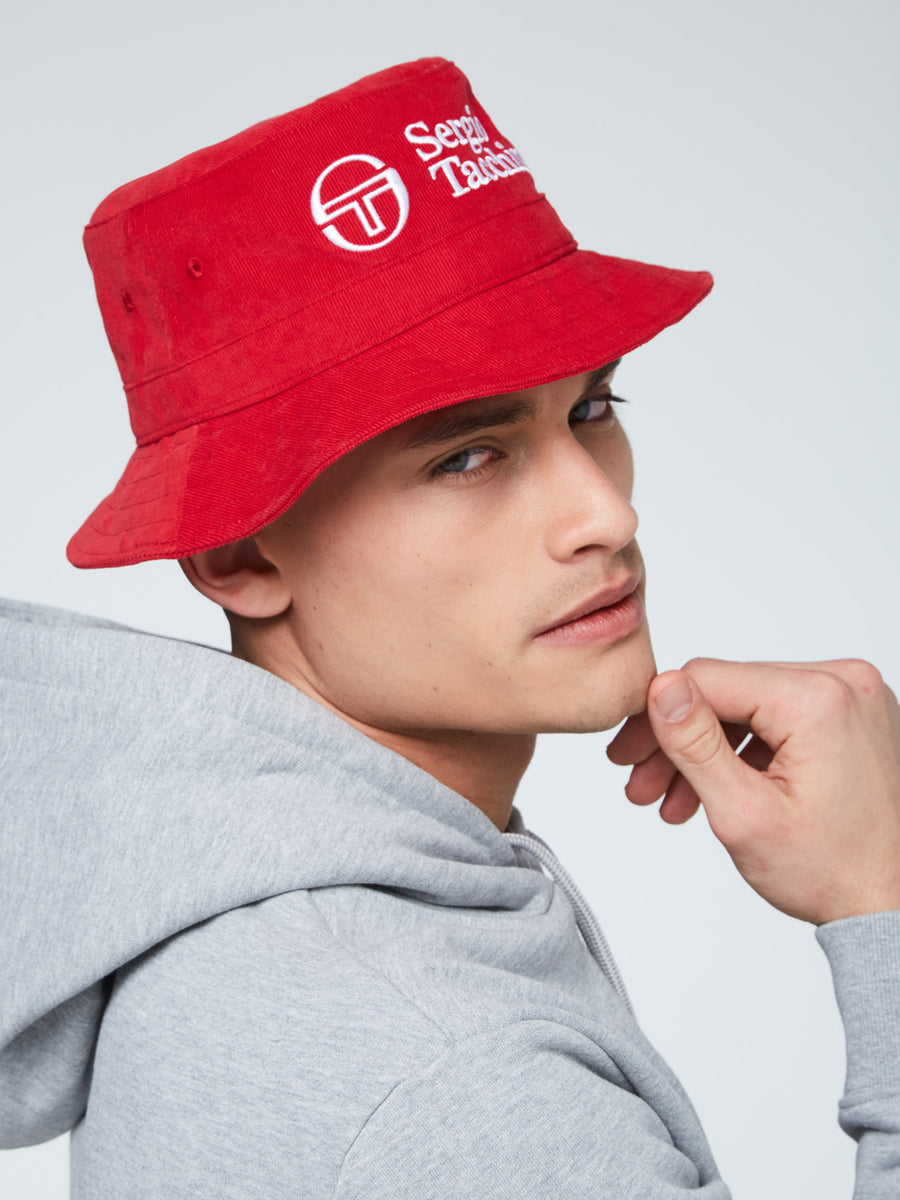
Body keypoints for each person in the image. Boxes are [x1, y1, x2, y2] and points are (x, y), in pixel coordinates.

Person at [1, 56, 898, 1199]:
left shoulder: (283, 935)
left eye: (593, 406)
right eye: (467, 457)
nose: (606, 513)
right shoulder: (443, 1072)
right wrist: (884, 903)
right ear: (239, 554)